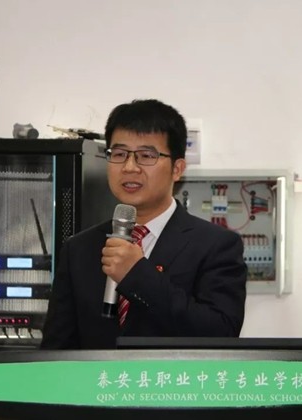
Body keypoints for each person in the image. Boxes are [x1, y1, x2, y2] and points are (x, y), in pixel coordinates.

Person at [41, 99, 248, 349]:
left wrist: (137, 274)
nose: (130, 167)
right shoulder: (78, 249)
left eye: (146, 156)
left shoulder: (216, 245)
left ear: (177, 169)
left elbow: (221, 333)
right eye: (119, 154)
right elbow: (57, 349)